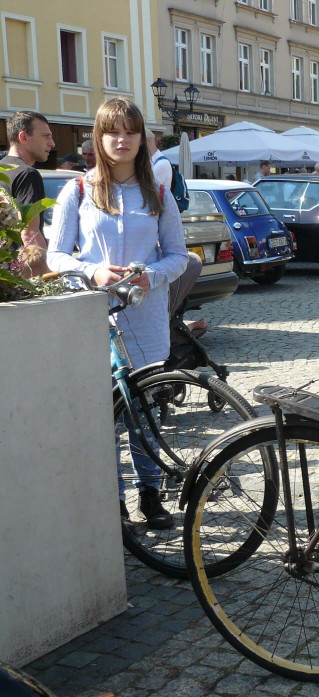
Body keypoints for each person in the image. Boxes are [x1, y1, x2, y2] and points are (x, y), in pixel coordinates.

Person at [47, 98, 190, 530]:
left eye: (130, 132)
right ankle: (114, 499)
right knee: (104, 415)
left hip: (144, 317)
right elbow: (56, 255)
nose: (122, 140)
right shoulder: (78, 191)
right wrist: (91, 269)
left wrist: (152, 276)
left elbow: (178, 257)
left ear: (141, 139)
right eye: (113, 132)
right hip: (93, 318)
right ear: (100, 137)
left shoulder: (159, 194)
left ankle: (149, 494)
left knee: (142, 411)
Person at [146, 130, 206, 344]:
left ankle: (167, 323)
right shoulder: (155, 163)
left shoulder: (160, 165)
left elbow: (149, 199)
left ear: (146, 141)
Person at [0, 110, 54, 248]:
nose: (52, 143)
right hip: (16, 267)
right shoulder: (27, 174)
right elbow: (30, 235)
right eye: (46, 136)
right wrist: (46, 269)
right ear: (24, 137)